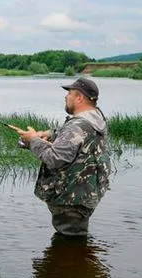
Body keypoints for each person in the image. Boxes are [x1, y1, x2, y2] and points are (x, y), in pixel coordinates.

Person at [9, 77, 111, 236]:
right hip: (84, 193)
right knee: (73, 240)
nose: (66, 96)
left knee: (70, 242)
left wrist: (32, 140)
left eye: (69, 93)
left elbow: (55, 158)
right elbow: (69, 134)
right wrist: (45, 135)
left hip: (72, 198)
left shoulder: (77, 126)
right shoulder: (96, 119)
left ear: (79, 98)